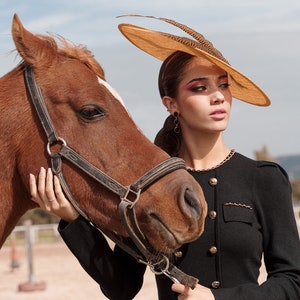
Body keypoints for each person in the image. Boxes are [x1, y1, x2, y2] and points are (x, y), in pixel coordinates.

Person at [29, 16, 300, 299]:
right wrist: (73, 220)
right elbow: (121, 287)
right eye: (200, 87)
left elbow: (292, 282)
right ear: (171, 104)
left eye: (223, 85)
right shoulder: (149, 187)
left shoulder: (263, 178)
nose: (218, 96)